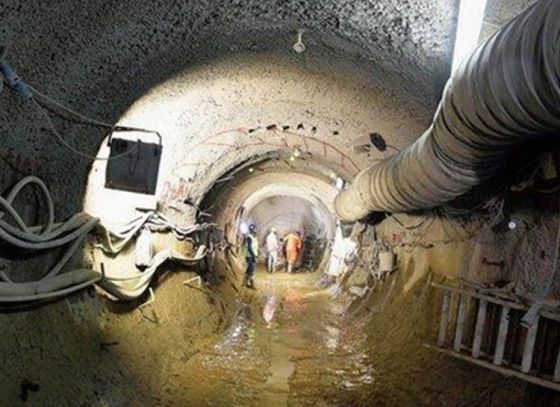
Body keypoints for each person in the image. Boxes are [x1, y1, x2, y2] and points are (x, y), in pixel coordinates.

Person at [243, 224, 259, 289]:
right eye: (254, 229)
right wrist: (254, 256)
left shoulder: (254, 237)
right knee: (252, 269)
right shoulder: (249, 237)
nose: (255, 231)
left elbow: (254, 246)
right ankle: (251, 283)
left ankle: (245, 282)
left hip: (252, 255)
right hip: (250, 255)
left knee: (250, 269)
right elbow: (249, 247)